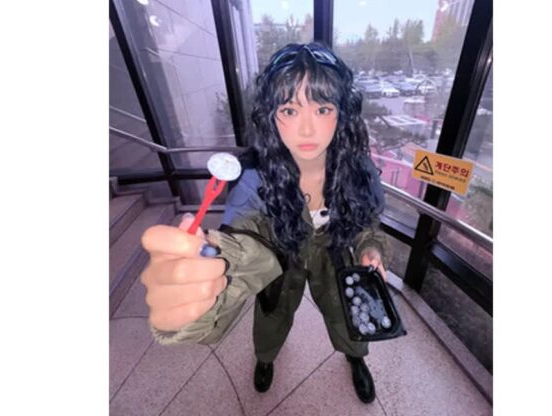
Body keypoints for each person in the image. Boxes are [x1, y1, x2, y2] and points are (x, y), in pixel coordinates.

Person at [140, 43, 391, 404]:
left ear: (342, 113)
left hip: (334, 254)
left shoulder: (358, 169)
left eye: (322, 108)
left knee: (344, 310)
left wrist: (371, 249)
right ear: (272, 116)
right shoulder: (255, 176)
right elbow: (243, 236)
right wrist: (208, 272)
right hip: (281, 254)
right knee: (273, 313)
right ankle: (266, 357)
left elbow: (368, 223)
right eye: (290, 109)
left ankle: (355, 356)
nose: (308, 129)